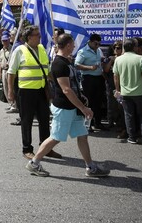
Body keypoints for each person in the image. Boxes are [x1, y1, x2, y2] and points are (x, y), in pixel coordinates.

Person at [26, 34, 110, 177]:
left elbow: (72, 85)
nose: (74, 47)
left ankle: (90, 167)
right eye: (73, 44)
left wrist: (80, 99)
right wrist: (83, 108)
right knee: (56, 137)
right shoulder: (59, 64)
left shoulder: (66, 61)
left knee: (82, 135)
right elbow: (66, 89)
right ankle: (34, 163)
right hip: (64, 107)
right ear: (69, 45)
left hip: (73, 107)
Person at [7, 26, 62, 160]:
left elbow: (47, 70)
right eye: (37, 35)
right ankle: (27, 149)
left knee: (44, 120)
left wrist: (57, 82)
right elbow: (11, 72)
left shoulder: (42, 49)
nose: (40, 37)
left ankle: (46, 148)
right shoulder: (19, 50)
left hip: (42, 90)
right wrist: (10, 91)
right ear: (29, 37)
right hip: (26, 92)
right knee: (27, 121)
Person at [113, 38, 142, 146]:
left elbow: (116, 77)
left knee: (129, 115)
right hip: (140, 92)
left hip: (125, 93)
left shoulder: (118, 59)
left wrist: (117, 90)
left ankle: (132, 137)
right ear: (134, 47)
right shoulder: (140, 59)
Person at [75, 34, 108, 131]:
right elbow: (77, 65)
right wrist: (89, 67)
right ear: (90, 41)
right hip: (88, 79)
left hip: (99, 78)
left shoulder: (98, 50)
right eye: (96, 43)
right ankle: (88, 124)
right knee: (89, 102)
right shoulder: (83, 51)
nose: (97, 45)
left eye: (99, 44)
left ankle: (98, 122)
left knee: (98, 102)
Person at [103, 40, 126, 138]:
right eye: (115, 48)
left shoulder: (124, 59)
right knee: (111, 105)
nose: (116, 49)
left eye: (119, 48)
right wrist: (112, 60)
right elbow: (105, 70)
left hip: (122, 86)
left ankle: (121, 124)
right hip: (111, 85)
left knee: (120, 106)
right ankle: (110, 121)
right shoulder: (109, 59)